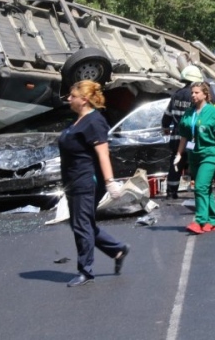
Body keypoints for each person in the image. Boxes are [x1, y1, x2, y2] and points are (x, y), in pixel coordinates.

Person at [58, 80, 130, 287]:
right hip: (72, 181)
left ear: (85, 99)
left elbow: (103, 153)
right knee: (81, 224)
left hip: (86, 180)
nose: (69, 99)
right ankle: (117, 249)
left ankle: (85, 270)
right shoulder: (78, 121)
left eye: (73, 96)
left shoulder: (95, 121)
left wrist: (110, 181)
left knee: (81, 225)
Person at [173, 82, 215, 234]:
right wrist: (179, 154)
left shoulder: (213, 112)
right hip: (194, 155)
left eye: (197, 92)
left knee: (200, 187)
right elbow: (184, 136)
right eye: (192, 92)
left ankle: (199, 221)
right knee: (206, 189)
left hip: (209, 155)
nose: (193, 95)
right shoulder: (189, 113)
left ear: (205, 94)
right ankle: (212, 220)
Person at [161, 65, 203, 199]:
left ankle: (171, 192)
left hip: (176, 137)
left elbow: (167, 116)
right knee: (195, 163)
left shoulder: (176, 95)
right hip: (191, 139)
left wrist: (165, 127)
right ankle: (199, 191)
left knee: (176, 163)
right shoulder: (195, 96)